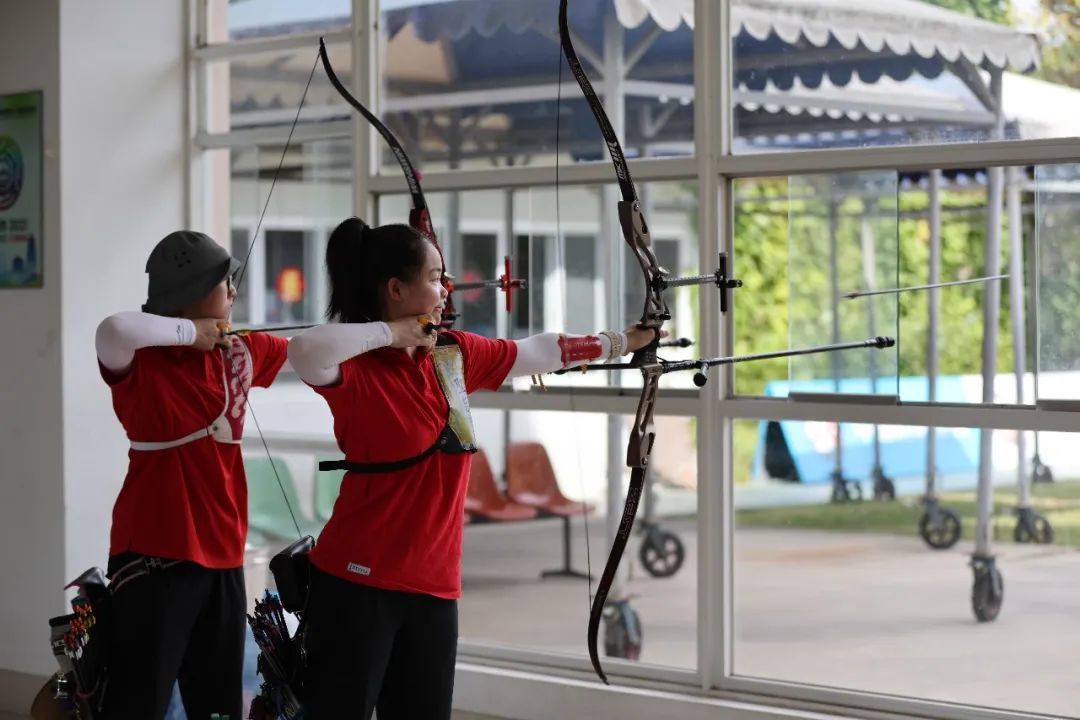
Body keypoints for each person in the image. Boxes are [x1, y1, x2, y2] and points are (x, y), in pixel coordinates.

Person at [288, 217, 659, 719]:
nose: (446, 289)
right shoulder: (356, 365)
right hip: (358, 582)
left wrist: (622, 341)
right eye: (434, 277)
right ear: (396, 290)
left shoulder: (452, 355)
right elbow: (304, 350)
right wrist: (392, 333)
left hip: (434, 586)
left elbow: (536, 351)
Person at [94, 230, 289, 720]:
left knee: (218, 705)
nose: (233, 292)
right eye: (224, 283)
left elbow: (312, 348)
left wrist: (394, 334)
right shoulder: (143, 358)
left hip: (222, 555)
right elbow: (111, 330)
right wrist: (190, 333)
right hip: (155, 555)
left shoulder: (238, 352)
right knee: (137, 702)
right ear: (192, 293)